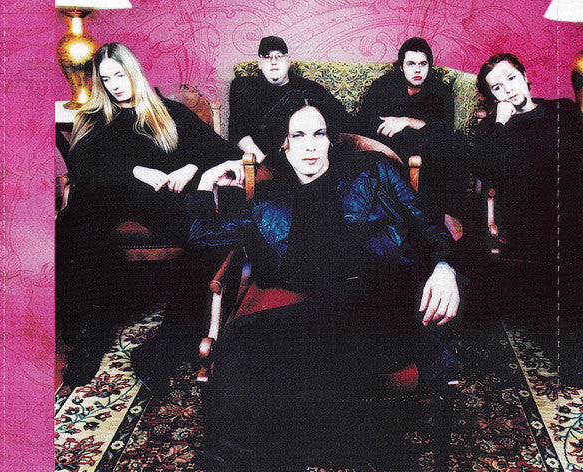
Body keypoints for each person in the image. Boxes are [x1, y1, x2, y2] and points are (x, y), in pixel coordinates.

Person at [186, 90, 463, 468]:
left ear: (331, 137)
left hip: (380, 302)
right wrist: (206, 183)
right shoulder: (268, 201)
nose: (310, 145)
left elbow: (428, 223)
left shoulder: (373, 170)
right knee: (239, 338)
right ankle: (347, 448)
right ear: (283, 145)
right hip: (326, 317)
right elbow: (202, 239)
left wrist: (444, 267)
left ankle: (254, 454)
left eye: (318, 133)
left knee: (273, 338)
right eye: (298, 135)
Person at [56, 42, 240, 388]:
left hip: (161, 202)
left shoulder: (167, 111)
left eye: (120, 75)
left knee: (208, 236)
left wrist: (191, 166)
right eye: (106, 79)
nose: (115, 85)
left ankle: (163, 348)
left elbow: (220, 149)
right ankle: (92, 335)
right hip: (109, 200)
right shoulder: (95, 117)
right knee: (74, 228)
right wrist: (134, 171)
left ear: (134, 72)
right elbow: (82, 167)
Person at [473, 53, 582, 387]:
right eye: (497, 87)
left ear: (523, 75)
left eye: (511, 78)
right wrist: (500, 122)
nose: (507, 88)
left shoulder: (563, 109)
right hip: (533, 219)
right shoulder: (493, 129)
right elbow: (486, 172)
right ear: (491, 97)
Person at [357, 37, 454, 221]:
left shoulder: (439, 92)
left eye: (423, 64)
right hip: (387, 150)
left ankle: (429, 218)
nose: (417, 70)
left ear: (429, 66)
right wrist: (421, 127)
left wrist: (406, 121)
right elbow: (368, 123)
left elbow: (444, 131)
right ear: (401, 67)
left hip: (427, 159)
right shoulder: (383, 86)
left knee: (448, 146)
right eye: (411, 64)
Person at [228, 35, 354, 164]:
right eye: (267, 57)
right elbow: (238, 132)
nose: (273, 61)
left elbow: (344, 121)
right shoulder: (244, 87)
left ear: (288, 61)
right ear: (259, 63)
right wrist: (264, 166)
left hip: (304, 160)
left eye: (279, 56)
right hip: (260, 161)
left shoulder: (310, 88)